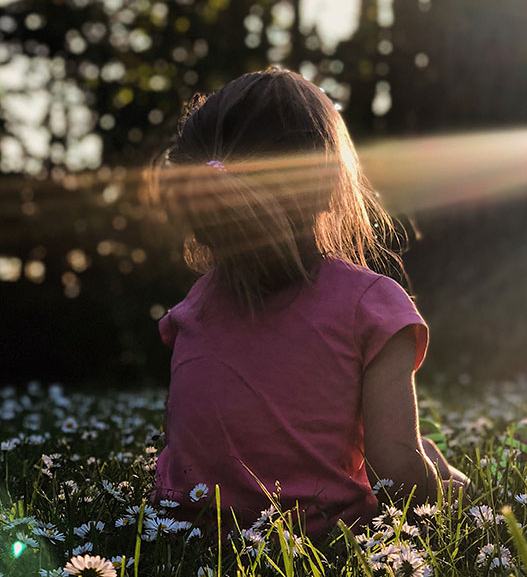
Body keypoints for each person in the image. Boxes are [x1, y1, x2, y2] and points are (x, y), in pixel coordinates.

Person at [149, 67, 467, 541]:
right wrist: (447, 493)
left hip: (188, 538)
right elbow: (396, 474)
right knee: (429, 461)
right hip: (321, 546)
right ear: (326, 185)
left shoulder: (194, 308)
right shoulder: (371, 306)